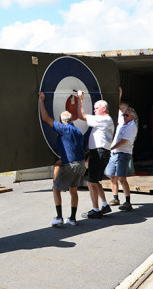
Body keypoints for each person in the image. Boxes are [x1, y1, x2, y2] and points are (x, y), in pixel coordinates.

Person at [39, 92, 86, 226]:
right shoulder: (78, 131)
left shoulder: (64, 129)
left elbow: (45, 117)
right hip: (81, 164)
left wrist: (41, 100)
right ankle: (72, 218)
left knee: (56, 188)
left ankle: (59, 217)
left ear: (62, 122)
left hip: (71, 165)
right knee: (73, 190)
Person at [77, 90, 114, 219]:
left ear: (103, 109)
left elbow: (81, 116)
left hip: (99, 152)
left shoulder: (103, 119)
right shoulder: (107, 119)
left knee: (90, 182)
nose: (94, 111)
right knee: (95, 181)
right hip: (99, 152)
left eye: (96, 108)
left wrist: (80, 99)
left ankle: (95, 209)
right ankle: (104, 205)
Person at [105, 108, 138, 211]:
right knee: (112, 176)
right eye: (124, 115)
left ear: (132, 117)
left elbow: (124, 141)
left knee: (121, 178)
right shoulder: (123, 123)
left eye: (126, 115)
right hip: (115, 153)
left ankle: (128, 202)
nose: (124, 116)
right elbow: (117, 107)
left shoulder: (131, 126)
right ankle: (116, 199)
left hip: (123, 153)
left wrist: (111, 147)